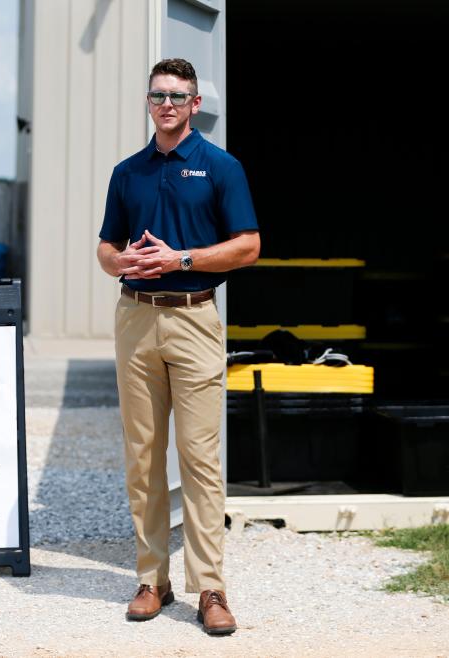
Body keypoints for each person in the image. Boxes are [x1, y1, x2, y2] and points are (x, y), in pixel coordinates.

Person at [96, 58, 260, 636]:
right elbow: (105, 247)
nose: (167, 104)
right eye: (158, 94)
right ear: (149, 102)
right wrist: (123, 262)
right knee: (142, 456)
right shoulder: (127, 172)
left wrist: (179, 260)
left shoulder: (220, 167)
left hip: (194, 319)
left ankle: (210, 588)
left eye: (178, 96)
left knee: (199, 459)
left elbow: (248, 246)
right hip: (135, 318)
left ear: (195, 105)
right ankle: (151, 579)